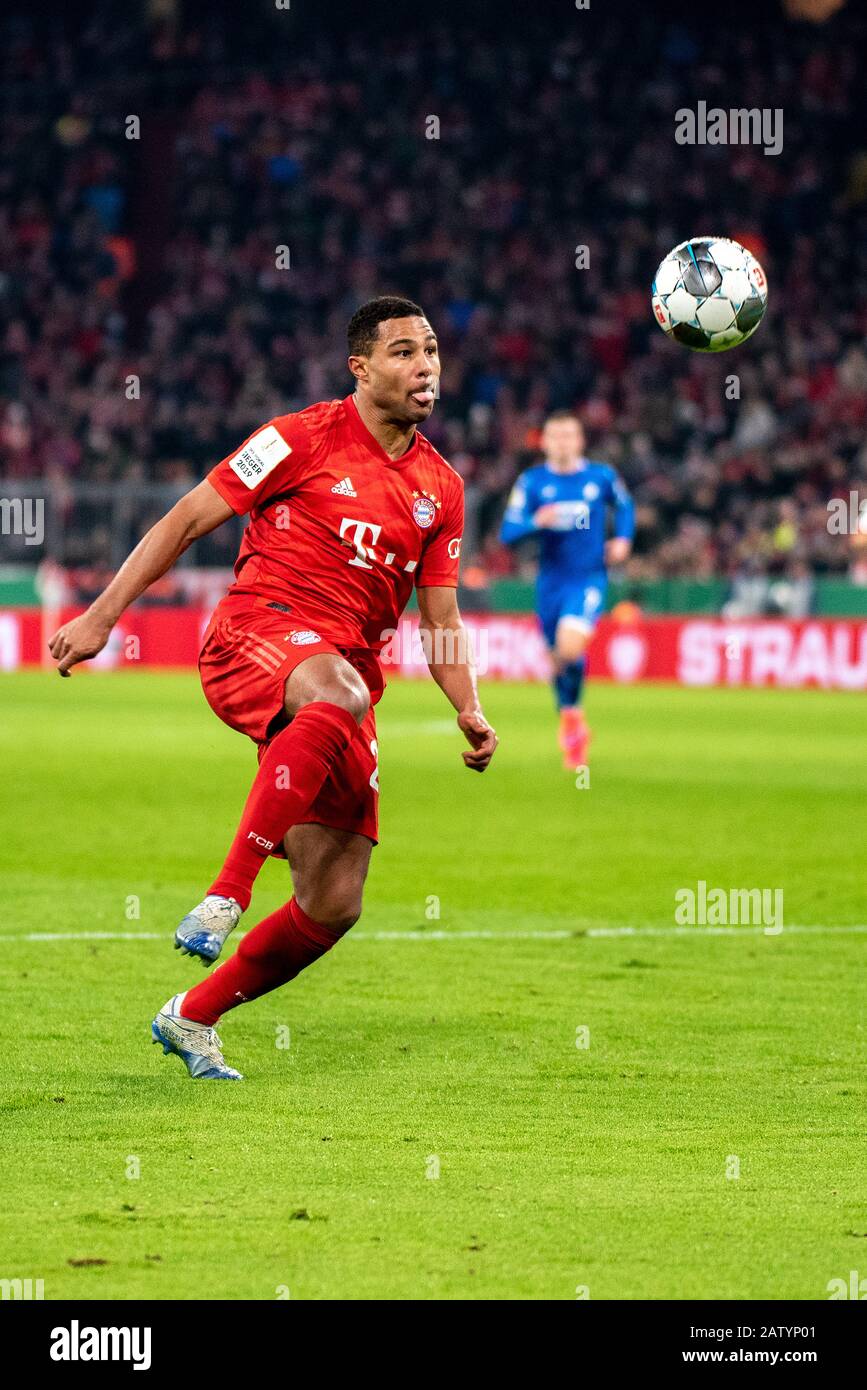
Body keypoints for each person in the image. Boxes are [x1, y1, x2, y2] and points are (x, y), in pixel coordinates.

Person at [49, 296, 498, 1080]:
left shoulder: (441, 487)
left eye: (429, 350)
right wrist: (101, 616)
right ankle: (226, 892)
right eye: (401, 352)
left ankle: (191, 1015)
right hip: (254, 633)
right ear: (359, 369)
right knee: (339, 694)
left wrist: (467, 705)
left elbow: (441, 614)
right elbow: (187, 519)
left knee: (334, 899)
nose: (424, 365)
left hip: (340, 683)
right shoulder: (296, 437)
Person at [500, 411, 633, 768]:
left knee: (570, 649)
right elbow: (507, 534)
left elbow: (625, 506)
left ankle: (572, 717)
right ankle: (572, 718)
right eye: (554, 436)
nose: (561, 442)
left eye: (568, 435)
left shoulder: (600, 477)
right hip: (550, 584)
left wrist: (622, 539)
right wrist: (534, 522)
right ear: (543, 442)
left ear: (580, 441)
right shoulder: (531, 483)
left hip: (588, 578)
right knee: (559, 658)